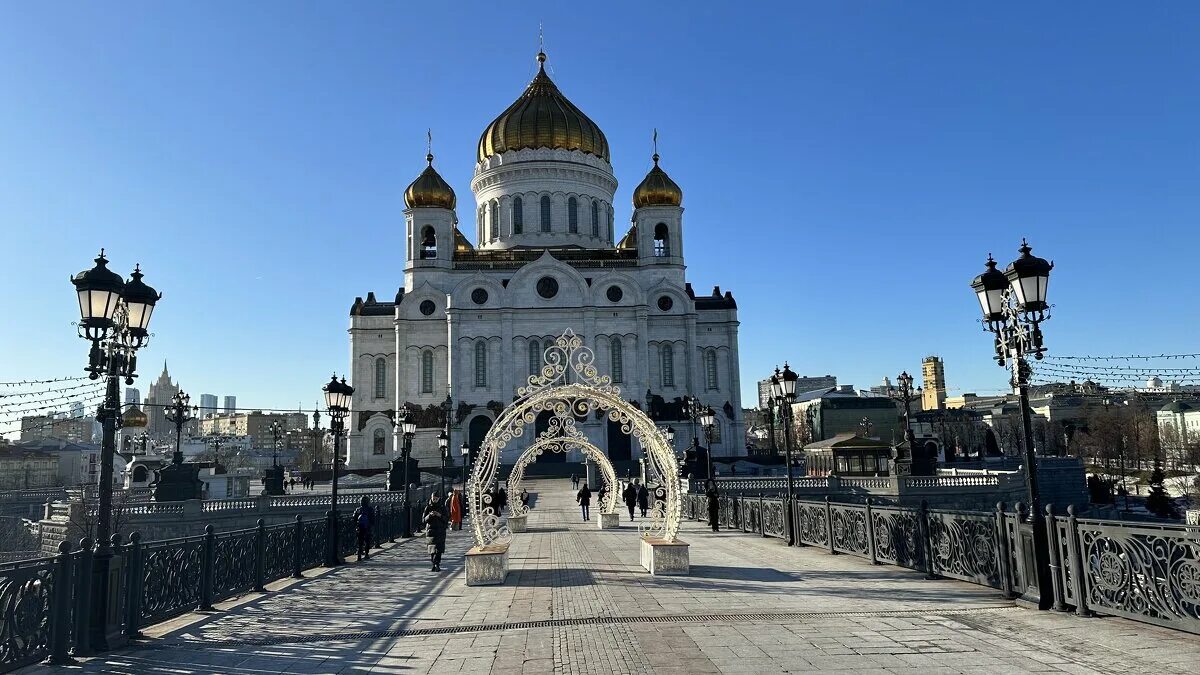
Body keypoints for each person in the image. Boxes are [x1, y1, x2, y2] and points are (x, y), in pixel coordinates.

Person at [423, 494, 447, 571]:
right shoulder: (428, 507)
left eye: (436, 499)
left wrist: (439, 515)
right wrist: (430, 515)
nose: (435, 500)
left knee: (439, 549)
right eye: (433, 498)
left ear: (439, 499)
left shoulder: (442, 507)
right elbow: (423, 520)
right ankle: (434, 563)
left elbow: (446, 519)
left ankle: (437, 563)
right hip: (431, 531)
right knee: (432, 549)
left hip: (440, 531)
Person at [352, 495, 375, 561]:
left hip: (360, 527)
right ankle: (366, 554)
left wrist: (356, 525)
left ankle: (359, 554)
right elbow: (372, 519)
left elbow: (354, 518)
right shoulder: (370, 509)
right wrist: (371, 526)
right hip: (367, 527)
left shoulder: (358, 509)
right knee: (367, 540)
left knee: (360, 541)